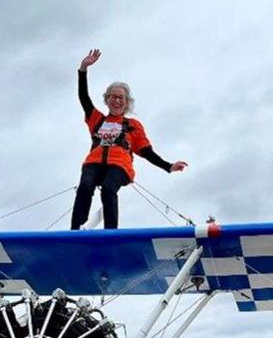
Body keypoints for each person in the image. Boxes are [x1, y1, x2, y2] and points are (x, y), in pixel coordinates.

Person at [69, 48, 187, 230]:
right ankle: (75, 231)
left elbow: (146, 152)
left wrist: (168, 166)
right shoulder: (97, 119)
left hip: (119, 165)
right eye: (113, 97)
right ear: (107, 100)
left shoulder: (132, 125)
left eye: (121, 98)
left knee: (108, 189)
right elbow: (83, 97)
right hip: (94, 162)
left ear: (127, 102)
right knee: (85, 186)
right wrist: (83, 68)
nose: (117, 101)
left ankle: (110, 234)